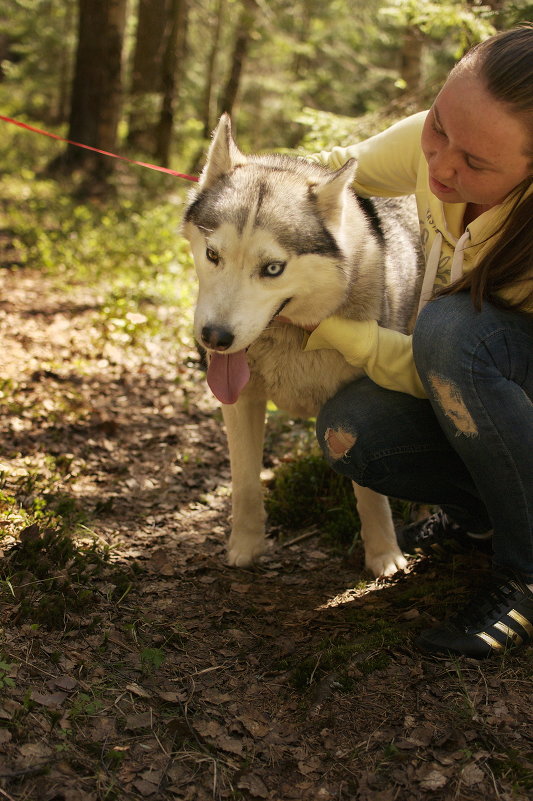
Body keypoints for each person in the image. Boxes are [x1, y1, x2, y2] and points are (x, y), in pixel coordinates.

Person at [280, 24, 533, 659]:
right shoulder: (438, 149)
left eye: (475, 162)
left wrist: (335, 331)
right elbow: (328, 179)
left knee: (451, 331)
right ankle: (483, 519)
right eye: (439, 128)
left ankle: (526, 570)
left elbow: (447, 362)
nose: (441, 165)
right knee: (354, 428)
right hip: (480, 391)